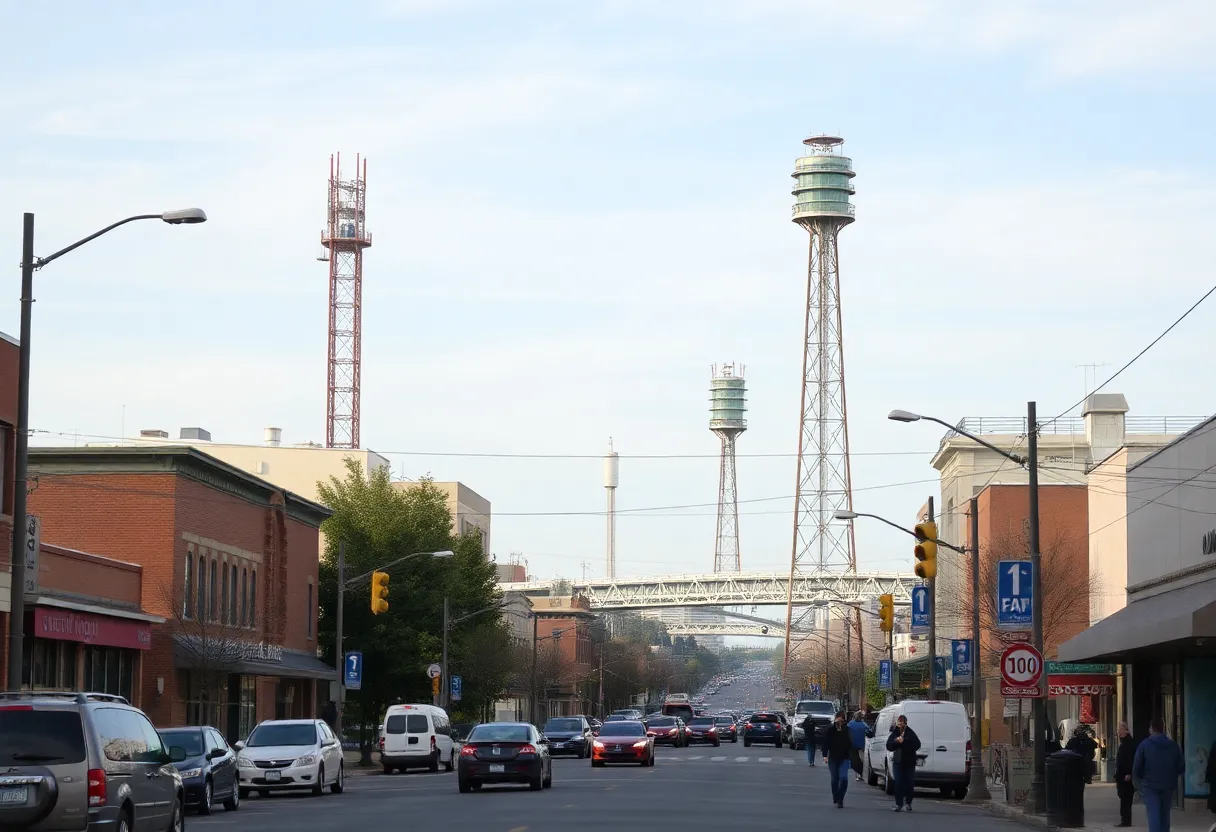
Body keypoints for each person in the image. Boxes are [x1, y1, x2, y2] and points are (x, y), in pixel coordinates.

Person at [1133, 717, 1185, 832]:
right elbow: (1181, 766)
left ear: (1151, 729)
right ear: (1163, 729)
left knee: (1154, 815)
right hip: (1168, 785)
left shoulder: (1144, 745)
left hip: (1150, 786)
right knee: (1165, 815)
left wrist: (1140, 782)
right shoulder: (1173, 746)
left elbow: (1137, 767)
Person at [886, 714, 921, 812]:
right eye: (899, 722)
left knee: (909, 782)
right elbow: (889, 745)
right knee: (898, 783)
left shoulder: (910, 732)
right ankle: (898, 804)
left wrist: (904, 741)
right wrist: (896, 741)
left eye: (902, 722)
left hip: (909, 762)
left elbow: (917, 744)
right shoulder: (895, 732)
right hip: (898, 761)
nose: (900, 724)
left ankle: (908, 802)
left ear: (905, 723)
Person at [823, 711, 854, 808]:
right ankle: (835, 796)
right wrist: (825, 755)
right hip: (833, 758)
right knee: (834, 780)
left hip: (844, 758)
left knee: (844, 779)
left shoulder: (847, 730)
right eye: (838, 719)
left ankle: (840, 798)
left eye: (842, 719)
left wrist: (842, 732)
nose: (840, 721)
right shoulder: (831, 730)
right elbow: (826, 743)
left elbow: (850, 744)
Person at [1114, 722, 1139, 827]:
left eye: (1120, 730)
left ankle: (1126, 820)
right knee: (1123, 797)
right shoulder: (1124, 743)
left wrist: (1129, 773)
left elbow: (1131, 759)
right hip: (1122, 775)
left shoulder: (1129, 743)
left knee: (1126, 798)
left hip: (1126, 776)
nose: (1118, 732)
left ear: (1125, 731)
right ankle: (1124, 819)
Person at [847, 710, 868, 782]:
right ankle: (860, 775)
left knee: (855, 761)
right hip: (861, 745)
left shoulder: (850, 724)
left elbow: (845, 733)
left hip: (852, 745)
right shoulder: (864, 724)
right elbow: (869, 732)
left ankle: (857, 775)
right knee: (861, 760)